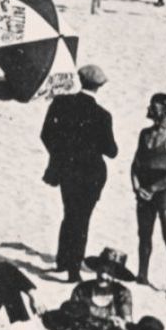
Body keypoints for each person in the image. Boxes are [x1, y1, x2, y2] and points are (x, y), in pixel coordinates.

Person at [41, 64, 119, 283]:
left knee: (69, 213)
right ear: (99, 86)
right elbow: (111, 151)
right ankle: (73, 269)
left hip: (67, 169)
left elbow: (46, 134)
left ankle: (62, 261)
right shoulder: (103, 115)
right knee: (82, 218)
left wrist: (60, 155)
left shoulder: (60, 103)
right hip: (92, 172)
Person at [131, 92, 166, 295]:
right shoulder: (145, 134)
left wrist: (152, 189)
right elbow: (135, 163)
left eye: (154, 106)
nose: (149, 108)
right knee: (143, 236)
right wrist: (137, 187)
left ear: (164, 111)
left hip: (165, 193)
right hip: (144, 191)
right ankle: (142, 275)